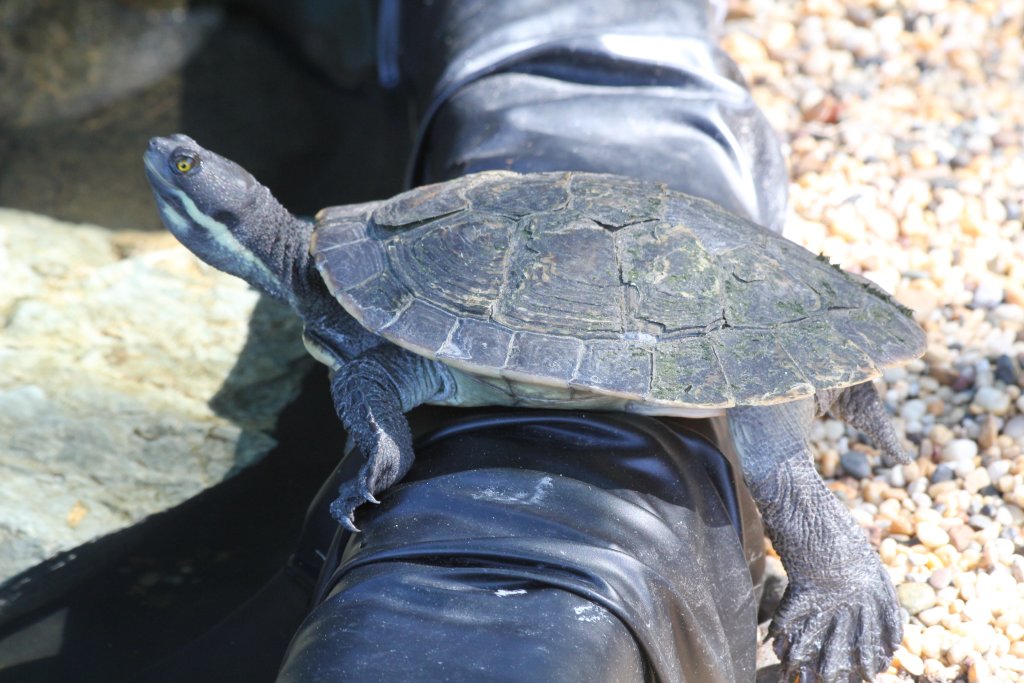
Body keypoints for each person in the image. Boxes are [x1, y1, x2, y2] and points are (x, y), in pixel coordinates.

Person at [276, 1, 791, 681]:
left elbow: (376, 388)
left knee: (768, 421)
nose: (168, 163)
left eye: (191, 170)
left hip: (632, 339)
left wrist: (378, 452)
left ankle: (842, 570)